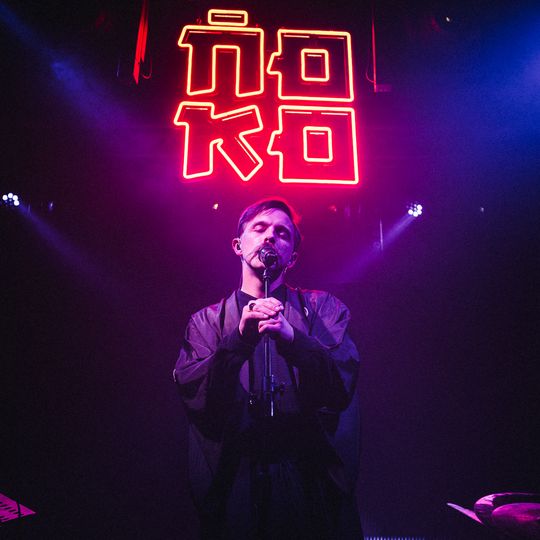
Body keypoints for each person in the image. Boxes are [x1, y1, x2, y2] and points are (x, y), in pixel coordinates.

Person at [174, 199, 362, 540]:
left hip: (308, 482)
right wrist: (238, 341)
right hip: (237, 484)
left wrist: (294, 339)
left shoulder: (324, 309)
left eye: (282, 233)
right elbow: (197, 396)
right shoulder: (205, 321)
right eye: (259, 229)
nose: (270, 237)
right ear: (238, 245)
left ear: (293, 257)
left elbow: (340, 384)